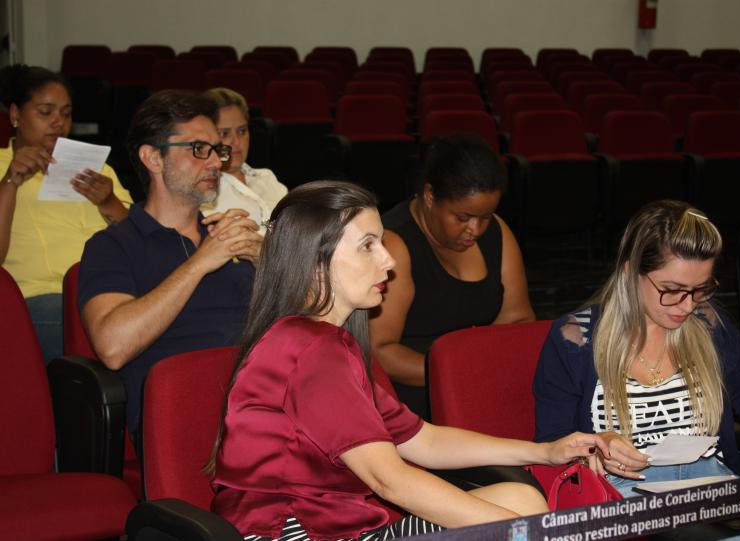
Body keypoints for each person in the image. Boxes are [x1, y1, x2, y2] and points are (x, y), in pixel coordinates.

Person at [209, 180, 607, 541]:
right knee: (519, 516)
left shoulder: (319, 343)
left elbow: (423, 440)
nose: (388, 260)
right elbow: (390, 481)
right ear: (314, 260)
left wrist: (544, 452)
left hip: (334, 527)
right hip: (294, 533)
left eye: (381, 242)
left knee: (521, 499)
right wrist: (524, 534)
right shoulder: (312, 350)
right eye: (368, 245)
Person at [533, 200, 740, 541]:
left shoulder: (709, 325)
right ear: (630, 272)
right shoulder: (575, 339)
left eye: (700, 289)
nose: (688, 305)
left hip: (712, 480)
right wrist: (598, 445)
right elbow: (551, 441)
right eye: (672, 290)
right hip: (626, 491)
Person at [78, 89, 262, 452]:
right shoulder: (114, 245)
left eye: (218, 149)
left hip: (259, 404)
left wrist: (269, 264)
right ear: (153, 158)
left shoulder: (229, 237)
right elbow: (113, 346)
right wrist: (199, 264)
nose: (216, 162)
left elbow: (308, 324)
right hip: (184, 418)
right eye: (199, 149)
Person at [370, 133, 535, 418]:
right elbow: (379, 351)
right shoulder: (395, 245)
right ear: (430, 196)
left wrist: (487, 368)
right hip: (413, 399)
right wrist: (459, 372)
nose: (476, 229)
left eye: (485, 216)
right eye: (463, 218)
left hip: (476, 380)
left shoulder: (496, 231)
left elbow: (518, 318)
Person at [0, 64, 131, 363]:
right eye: (45, 112)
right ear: (16, 114)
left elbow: (139, 244)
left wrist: (108, 201)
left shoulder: (97, 168)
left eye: (66, 113)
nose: (58, 122)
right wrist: (10, 182)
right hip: (40, 298)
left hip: (108, 291)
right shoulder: (1, 165)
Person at [201, 87, 287, 227]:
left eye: (242, 131)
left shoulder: (266, 177)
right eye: (224, 133)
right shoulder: (204, 191)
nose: (236, 141)